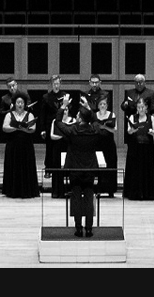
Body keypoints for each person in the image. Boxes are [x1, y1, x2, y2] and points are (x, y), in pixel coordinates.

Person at [51, 95, 106, 237]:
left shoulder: (72, 130)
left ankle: (78, 228)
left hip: (74, 169)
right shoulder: (94, 129)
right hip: (89, 169)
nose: (76, 116)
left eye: (77, 115)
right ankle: (88, 228)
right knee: (89, 196)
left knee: (75, 197)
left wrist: (63, 106)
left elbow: (57, 121)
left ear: (80, 119)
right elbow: (95, 120)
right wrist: (88, 108)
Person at [2, 92, 40, 199]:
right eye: (18, 102)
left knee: (26, 167)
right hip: (13, 146)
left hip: (26, 147)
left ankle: (28, 190)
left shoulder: (29, 114)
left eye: (22, 102)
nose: (20, 104)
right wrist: (17, 128)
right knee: (13, 167)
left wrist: (24, 128)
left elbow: (33, 129)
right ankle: (12, 191)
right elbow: (5, 127)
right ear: (14, 103)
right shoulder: (9, 114)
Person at [123, 97, 154, 201]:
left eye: (142, 107)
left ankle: (147, 193)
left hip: (146, 147)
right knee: (135, 169)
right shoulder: (132, 117)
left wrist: (152, 131)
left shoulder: (151, 118)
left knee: (147, 169)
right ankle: (134, 193)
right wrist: (133, 130)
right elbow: (129, 131)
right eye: (139, 107)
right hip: (135, 147)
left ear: (146, 107)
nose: (141, 109)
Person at [40, 75, 66, 186]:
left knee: (63, 147)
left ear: (60, 84)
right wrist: (42, 129)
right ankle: (48, 169)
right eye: (54, 83)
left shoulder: (65, 96)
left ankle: (62, 169)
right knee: (49, 148)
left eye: (58, 83)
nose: (56, 85)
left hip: (62, 124)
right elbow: (42, 114)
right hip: (50, 125)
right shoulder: (46, 97)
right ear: (51, 84)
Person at [92, 95, 118, 197]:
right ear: (98, 106)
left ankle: (110, 190)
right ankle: (99, 189)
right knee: (99, 167)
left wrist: (104, 127)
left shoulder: (112, 115)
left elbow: (114, 129)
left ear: (107, 106)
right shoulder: (94, 116)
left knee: (110, 166)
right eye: (101, 104)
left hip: (109, 145)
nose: (102, 106)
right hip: (98, 144)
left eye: (104, 104)